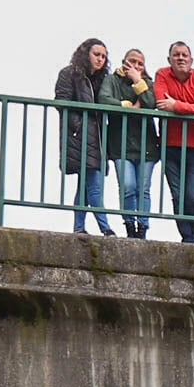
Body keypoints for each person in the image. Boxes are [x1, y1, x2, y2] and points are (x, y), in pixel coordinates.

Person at [54, 37, 115, 237]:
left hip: (97, 138)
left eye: (104, 56)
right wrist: (79, 125)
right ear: (85, 54)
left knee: (86, 186)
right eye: (96, 54)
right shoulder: (69, 73)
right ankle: (107, 229)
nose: (100, 59)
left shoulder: (103, 79)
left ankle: (79, 227)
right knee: (94, 186)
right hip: (79, 136)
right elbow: (61, 101)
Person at [153, 42, 194, 244]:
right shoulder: (162, 74)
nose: (180, 58)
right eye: (176, 55)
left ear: (191, 59)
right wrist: (189, 107)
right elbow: (161, 102)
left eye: (184, 55)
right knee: (178, 195)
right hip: (169, 145)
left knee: (193, 197)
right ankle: (187, 238)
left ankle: (192, 236)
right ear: (169, 59)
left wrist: (176, 105)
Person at [104, 48, 161, 239]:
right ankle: (129, 224)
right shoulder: (112, 81)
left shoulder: (148, 83)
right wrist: (128, 106)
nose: (136, 66)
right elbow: (104, 99)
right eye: (132, 61)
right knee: (127, 186)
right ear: (124, 62)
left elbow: (151, 102)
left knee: (143, 188)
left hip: (147, 147)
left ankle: (142, 228)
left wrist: (138, 80)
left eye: (140, 63)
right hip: (120, 145)